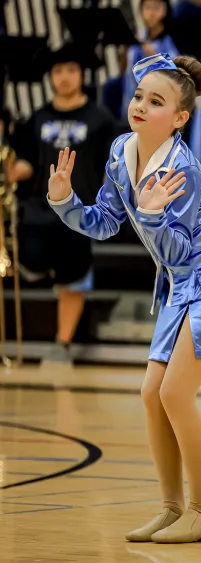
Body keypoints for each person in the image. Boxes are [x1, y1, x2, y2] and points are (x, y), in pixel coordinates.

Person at [46, 53, 201, 543]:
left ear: (179, 119)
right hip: (181, 283)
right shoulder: (119, 151)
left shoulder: (183, 170)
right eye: (137, 96)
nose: (140, 105)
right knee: (151, 396)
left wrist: (152, 214)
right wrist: (65, 200)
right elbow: (104, 223)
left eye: (155, 101)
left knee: (175, 393)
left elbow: (177, 244)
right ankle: (173, 508)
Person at [6, 46, 117, 365]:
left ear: (81, 74)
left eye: (71, 70)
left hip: (78, 212)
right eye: (58, 71)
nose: (64, 77)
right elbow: (27, 159)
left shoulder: (100, 120)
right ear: (50, 77)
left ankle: (63, 342)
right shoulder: (38, 117)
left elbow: (112, 166)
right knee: (31, 257)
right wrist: (21, 169)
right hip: (39, 210)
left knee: (73, 277)